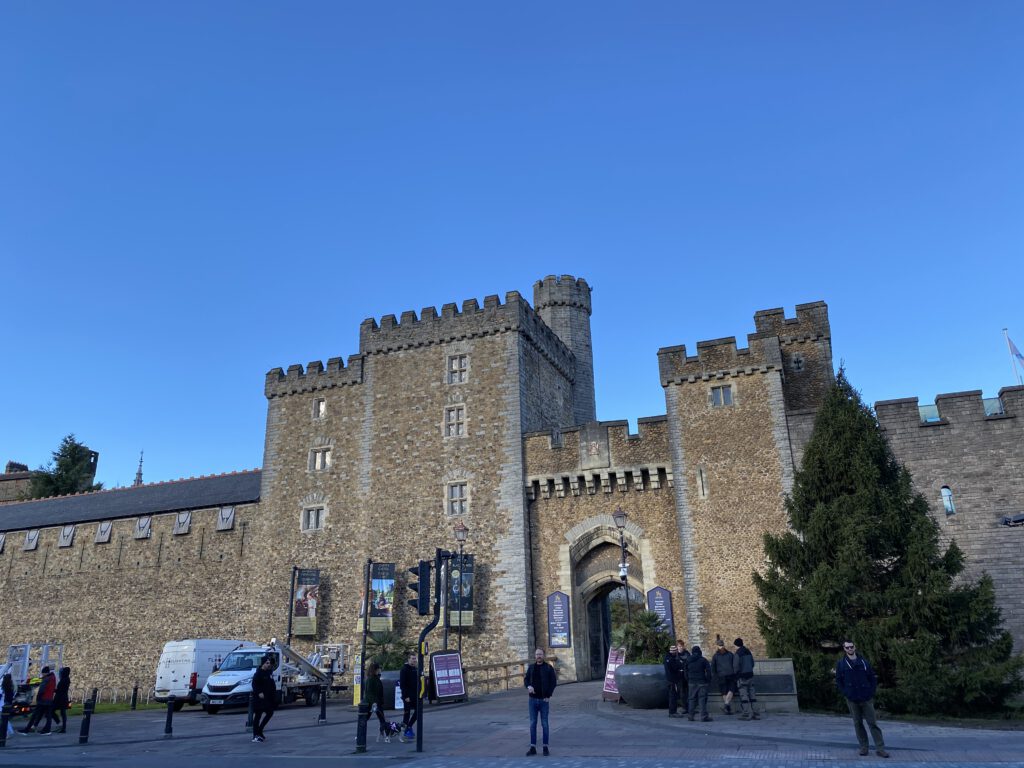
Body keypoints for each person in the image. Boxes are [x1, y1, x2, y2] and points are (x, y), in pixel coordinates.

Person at [836, 640, 889, 758]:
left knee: (873, 723)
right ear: (844, 649)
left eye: (851, 647)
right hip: (852, 698)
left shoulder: (864, 662)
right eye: (847, 647)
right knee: (858, 723)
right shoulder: (841, 664)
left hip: (866, 698)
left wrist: (870, 692)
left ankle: (880, 749)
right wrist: (846, 693)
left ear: (855, 647)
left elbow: (872, 678)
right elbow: (839, 680)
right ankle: (864, 747)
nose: (850, 649)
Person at [524, 648, 557, 756]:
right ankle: (533, 747)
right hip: (532, 700)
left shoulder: (548, 668)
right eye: (537, 654)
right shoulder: (531, 668)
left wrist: (548, 695)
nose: (539, 656)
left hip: (544, 700)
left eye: (540, 654)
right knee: (532, 723)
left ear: (543, 656)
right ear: (535, 656)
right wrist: (528, 686)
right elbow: (526, 679)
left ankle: (545, 747)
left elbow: (553, 682)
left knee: (544, 724)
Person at [20, 665, 56, 734]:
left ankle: (27, 729)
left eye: (43, 673)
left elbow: (41, 690)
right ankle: (47, 730)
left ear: (45, 673)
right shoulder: (53, 678)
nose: (42, 674)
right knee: (48, 716)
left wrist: (38, 698)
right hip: (49, 699)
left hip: (43, 700)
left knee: (34, 715)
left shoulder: (46, 679)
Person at [251, 655, 277, 743]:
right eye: (267, 663)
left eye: (269, 663)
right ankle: (255, 735)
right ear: (262, 664)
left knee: (270, 713)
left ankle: (260, 730)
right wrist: (259, 692)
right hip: (259, 699)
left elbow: (272, 684)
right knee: (257, 716)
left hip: (267, 698)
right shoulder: (258, 673)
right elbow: (254, 684)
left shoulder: (269, 672)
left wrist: (274, 694)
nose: (268, 664)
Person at [710, 636, 738, 715]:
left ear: (717, 646)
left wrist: (715, 676)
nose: (721, 647)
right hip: (730, 674)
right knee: (731, 690)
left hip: (721, 675)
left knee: (724, 691)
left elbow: (713, 667)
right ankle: (727, 707)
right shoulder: (730, 654)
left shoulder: (715, 656)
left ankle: (726, 706)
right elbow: (735, 665)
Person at [733, 639, 759, 720]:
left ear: (736, 645)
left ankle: (746, 713)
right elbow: (752, 663)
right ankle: (756, 713)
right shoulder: (748, 652)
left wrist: (737, 675)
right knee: (752, 696)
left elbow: (735, 667)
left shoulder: (737, 654)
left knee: (744, 696)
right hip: (750, 675)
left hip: (742, 677)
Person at [685, 645, 712, 721]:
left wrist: (688, 679)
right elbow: (709, 671)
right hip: (702, 682)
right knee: (702, 699)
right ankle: (703, 716)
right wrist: (708, 680)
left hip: (691, 682)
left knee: (691, 699)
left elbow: (685, 671)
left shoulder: (688, 660)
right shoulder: (703, 660)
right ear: (700, 652)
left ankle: (690, 716)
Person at [365, 662, 390, 741]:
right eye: (379, 668)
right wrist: (374, 702)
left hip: (377, 702)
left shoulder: (376, 678)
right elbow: (369, 692)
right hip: (371, 703)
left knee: (382, 719)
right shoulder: (371, 679)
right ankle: (360, 734)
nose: (380, 670)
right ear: (376, 669)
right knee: (365, 718)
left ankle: (385, 734)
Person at [399, 653, 418, 742]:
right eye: (412, 659)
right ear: (408, 659)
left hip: (415, 695)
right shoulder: (404, 669)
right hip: (407, 696)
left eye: (415, 659)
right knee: (407, 714)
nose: (414, 660)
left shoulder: (415, 669)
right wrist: (406, 696)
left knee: (418, 711)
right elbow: (402, 684)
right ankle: (404, 731)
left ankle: (408, 727)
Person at [663, 644, 687, 717]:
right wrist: (680, 667)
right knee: (673, 696)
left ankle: (672, 712)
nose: (677, 653)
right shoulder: (672, 659)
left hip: (670, 679)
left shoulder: (666, 658)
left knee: (672, 695)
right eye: (676, 651)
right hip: (673, 680)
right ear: (674, 652)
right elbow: (676, 668)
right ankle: (673, 712)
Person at [51, 668, 71, 733]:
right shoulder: (66, 679)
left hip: (60, 698)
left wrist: (53, 690)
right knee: (62, 713)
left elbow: (60, 690)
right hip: (63, 698)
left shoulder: (64, 680)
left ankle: (61, 725)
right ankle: (62, 727)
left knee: (52, 710)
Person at [1, 673, 15, 737]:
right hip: (7, 704)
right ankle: (9, 732)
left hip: (3, 705)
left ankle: (7, 733)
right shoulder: (10, 686)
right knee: (5, 719)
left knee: (4, 720)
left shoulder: (5, 687)